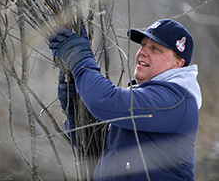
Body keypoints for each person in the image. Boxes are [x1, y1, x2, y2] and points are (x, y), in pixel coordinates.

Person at [48, 19, 202, 181]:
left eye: (155, 48)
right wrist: (75, 108)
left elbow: (105, 101)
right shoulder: (147, 96)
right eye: (143, 45)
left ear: (178, 64)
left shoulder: (177, 100)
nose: (143, 52)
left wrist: (81, 61)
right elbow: (97, 149)